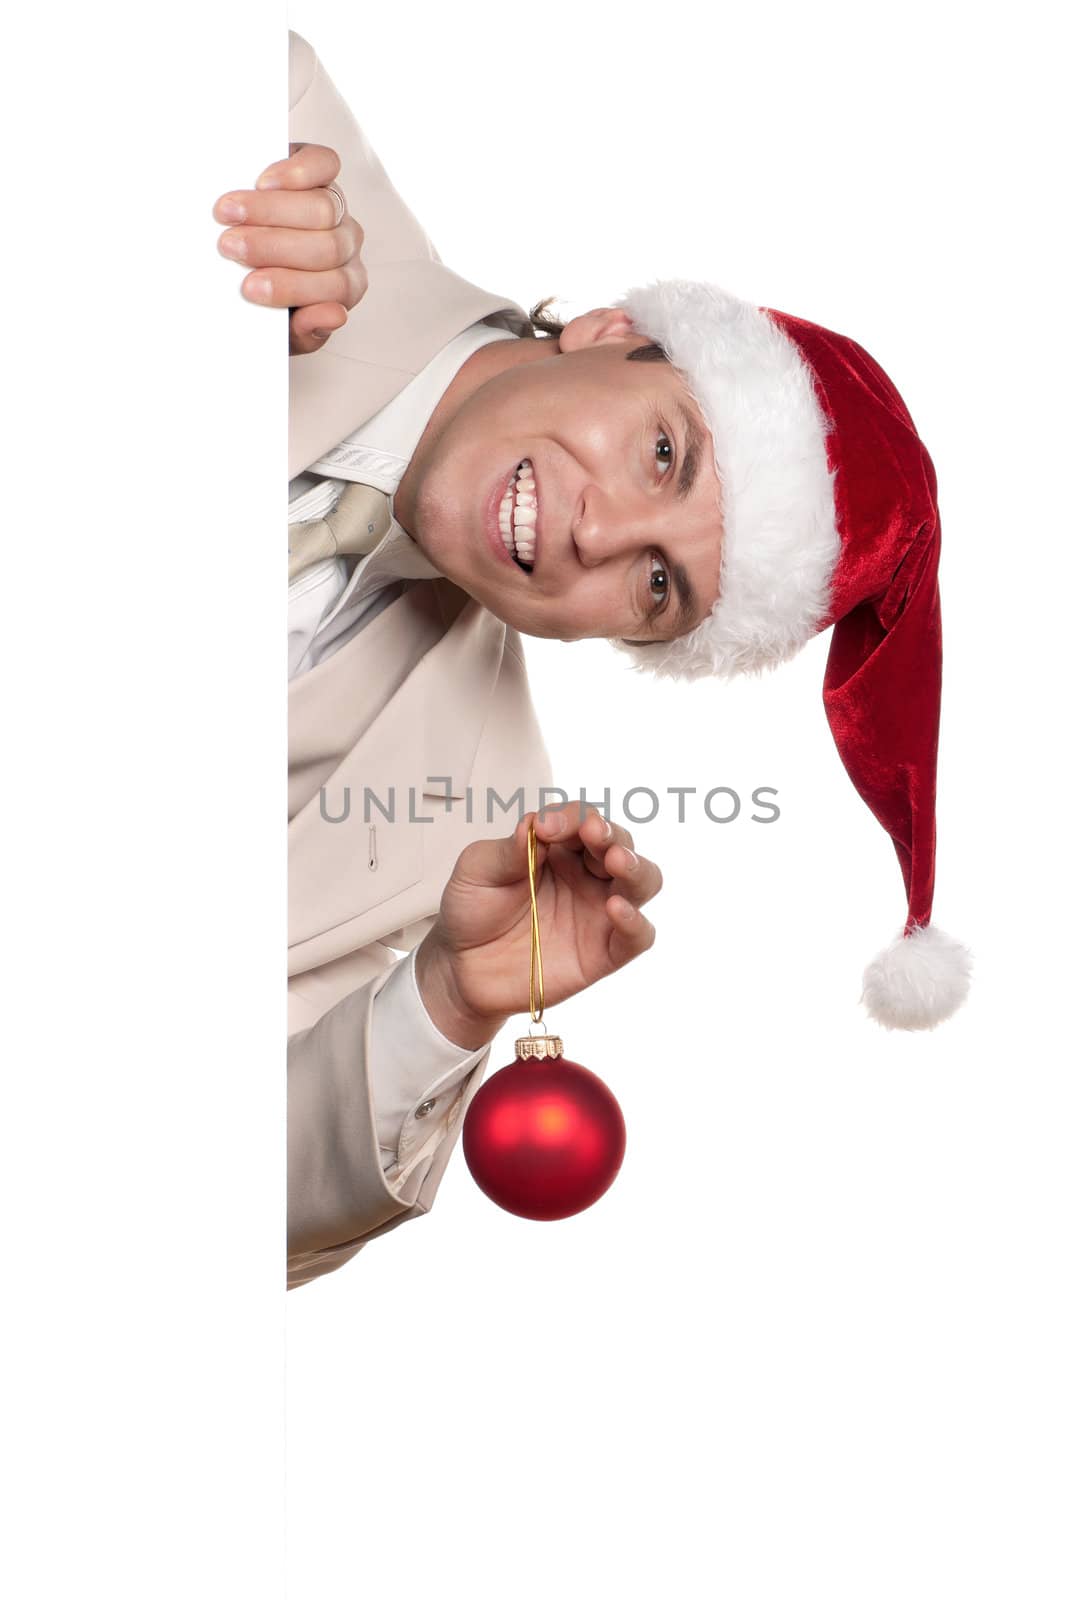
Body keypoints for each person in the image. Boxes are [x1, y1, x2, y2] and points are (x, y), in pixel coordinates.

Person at [214, 32, 970, 1289]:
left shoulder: (463, 825)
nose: (597, 532)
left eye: (659, 585)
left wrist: (447, 1003)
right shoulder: (274, 141)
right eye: (663, 455)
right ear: (612, 333)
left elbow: (197, 1192)